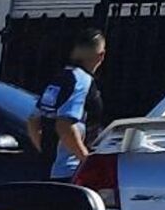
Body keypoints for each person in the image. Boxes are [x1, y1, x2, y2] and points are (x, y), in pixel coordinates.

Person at [30, 28, 107, 180]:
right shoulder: (82, 82)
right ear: (101, 55)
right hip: (69, 173)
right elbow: (64, 125)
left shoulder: (60, 78)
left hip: (47, 170)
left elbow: (33, 121)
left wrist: (46, 152)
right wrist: (86, 161)